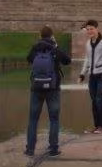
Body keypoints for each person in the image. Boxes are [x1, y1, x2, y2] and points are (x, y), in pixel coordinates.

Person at [25, 25, 71, 157]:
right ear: (51, 36)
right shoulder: (54, 48)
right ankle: (53, 149)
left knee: (33, 119)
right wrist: (55, 46)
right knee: (54, 119)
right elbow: (67, 61)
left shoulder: (35, 48)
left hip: (36, 88)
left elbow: (29, 59)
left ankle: (30, 149)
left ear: (40, 35)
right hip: (53, 88)